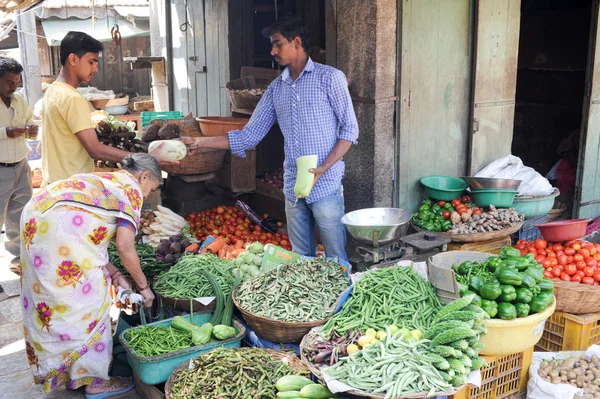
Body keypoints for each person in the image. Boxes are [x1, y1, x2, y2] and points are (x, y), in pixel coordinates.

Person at [182, 16, 359, 260]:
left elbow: (350, 131)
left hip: (326, 184)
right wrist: (200, 143)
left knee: (336, 258)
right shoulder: (276, 88)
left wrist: (324, 168)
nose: (272, 50)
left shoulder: (330, 78)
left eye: (278, 44)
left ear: (296, 42)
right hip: (293, 188)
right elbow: (248, 137)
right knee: (301, 259)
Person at [20, 153, 159, 398]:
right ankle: (96, 381)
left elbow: (87, 236)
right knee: (90, 302)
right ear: (144, 176)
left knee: (57, 301)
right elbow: (125, 247)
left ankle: (70, 372)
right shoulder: (131, 191)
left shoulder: (108, 181)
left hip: (36, 217)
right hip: (56, 229)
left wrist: (115, 274)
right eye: (151, 188)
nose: (147, 195)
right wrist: (143, 286)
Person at [41, 31, 173, 186]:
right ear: (73, 59)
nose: (96, 68)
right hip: (71, 188)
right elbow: (95, 149)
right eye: (91, 62)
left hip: (54, 183)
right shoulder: (72, 98)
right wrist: (145, 158)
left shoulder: (53, 91)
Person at [0, 56, 38, 271]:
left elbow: (30, 121)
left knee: (20, 216)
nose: (14, 87)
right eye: (9, 82)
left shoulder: (19, 100)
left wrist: (32, 129)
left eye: (16, 82)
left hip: (21, 167)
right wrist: (5, 133)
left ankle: (19, 263)